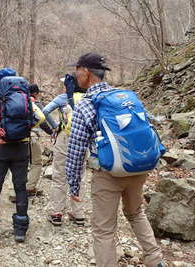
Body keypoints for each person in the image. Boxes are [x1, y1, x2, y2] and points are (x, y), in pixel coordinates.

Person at [65, 52, 164, 267]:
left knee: (103, 229)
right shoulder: (127, 97)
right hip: (138, 167)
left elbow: (75, 150)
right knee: (136, 212)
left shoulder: (86, 104)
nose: (75, 75)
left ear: (85, 73)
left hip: (108, 174)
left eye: (77, 71)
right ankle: (155, 259)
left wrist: (73, 186)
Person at [0, 68, 45, 245]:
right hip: (21, 147)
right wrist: (26, 128)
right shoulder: (25, 96)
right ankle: (20, 232)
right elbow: (40, 117)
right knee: (20, 187)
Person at [42, 75, 86, 226]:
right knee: (78, 176)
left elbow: (45, 111)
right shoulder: (88, 98)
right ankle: (78, 214)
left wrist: (55, 126)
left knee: (60, 175)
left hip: (64, 139)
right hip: (82, 140)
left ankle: (56, 213)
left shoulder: (63, 98)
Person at [8, 84, 53, 202]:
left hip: (16, 137)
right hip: (31, 137)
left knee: (17, 163)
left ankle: (13, 191)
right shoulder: (34, 104)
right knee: (36, 163)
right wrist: (51, 132)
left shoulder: (16, 103)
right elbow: (42, 120)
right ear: (36, 93)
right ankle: (30, 188)